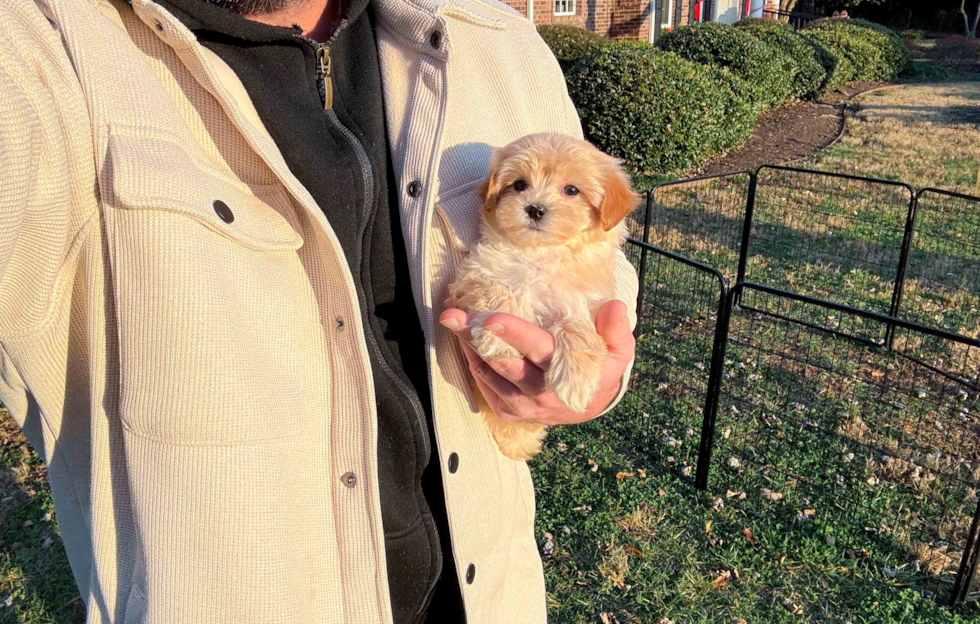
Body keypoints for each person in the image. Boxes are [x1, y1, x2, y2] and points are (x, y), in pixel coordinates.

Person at [0, 0, 638, 622]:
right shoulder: (48, 49)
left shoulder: (498, 37)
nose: (535, 199)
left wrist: (599, 367)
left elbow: (601, 265)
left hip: (486, 591)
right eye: (519, 185)